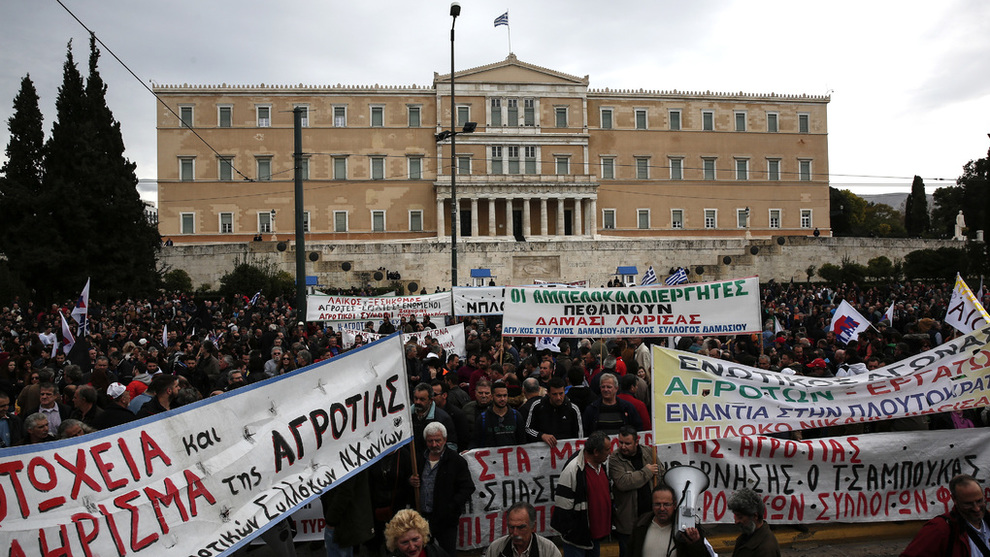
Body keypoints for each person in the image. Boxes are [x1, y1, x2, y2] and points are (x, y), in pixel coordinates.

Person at [409, 422, 475, 557]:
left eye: (438, 440)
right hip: (422, 518)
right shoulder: (418, 460)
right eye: (430, 441)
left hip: (446, 520)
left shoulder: (456, 461)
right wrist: (411, 481)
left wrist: (451, 507)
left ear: (445, 440)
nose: (434, 445)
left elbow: (467, 487)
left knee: (447, 553)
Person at [551, 430, 613, 557]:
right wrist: (572, 531)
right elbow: (563, 507)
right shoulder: (573, 470)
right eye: (607, 449)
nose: (610, 453)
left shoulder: (602, 465)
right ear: (596, 452)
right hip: (577, 539)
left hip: (594, 537)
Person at [901, 474, 990, 557]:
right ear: (954, 500)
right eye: (968, 504)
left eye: (979, 501)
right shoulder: (940, 529)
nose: (976, 508)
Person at [610, 426, 663, 557]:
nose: (623, 446)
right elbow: (623, 482)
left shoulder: (649, 452)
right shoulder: (615, 459)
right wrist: (647, 472)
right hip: (628, 521)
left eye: (627, 443)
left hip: (650, 518)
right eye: (620, 442)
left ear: (636, 442)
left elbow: (661, 472)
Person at [628, 484, 711, 557]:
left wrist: (695, 543)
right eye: (657, 504)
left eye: (666, 504)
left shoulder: (686, 529)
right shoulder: (640, 524)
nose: (662, 508)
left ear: (674, 505)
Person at [322, 470, 374, 557]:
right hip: (344, 522)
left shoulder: (346, 464)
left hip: (342, 524)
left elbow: (344, 492)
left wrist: (331, 520)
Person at [484, 502, 561, 557]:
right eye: (511, 527)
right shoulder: (496, 549)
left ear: (533, 527)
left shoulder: (549, 550)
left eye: (521, 527)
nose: (515, 533)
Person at [525, 377, 583, 446]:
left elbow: (580, 437)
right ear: (548, 393)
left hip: (566, 452)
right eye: (554, 394)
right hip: (543, 452)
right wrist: (542, 436)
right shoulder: (538, 406)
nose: (558, 398)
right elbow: (528, 429)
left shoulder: (572, 409)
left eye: (561, 393)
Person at [727, 487, 780, 557]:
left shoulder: (765, 549)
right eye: (735, 515)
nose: (736, 521)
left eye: (740, 517)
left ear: (755, 516)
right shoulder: (748, 536)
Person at [475, 380, 525, 448]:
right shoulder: (483, 418)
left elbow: (522, 441)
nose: (502, 399)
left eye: (505, 395)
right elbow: (476, 441)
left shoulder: (516, 416)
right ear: (492, 397)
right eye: (499, 396)